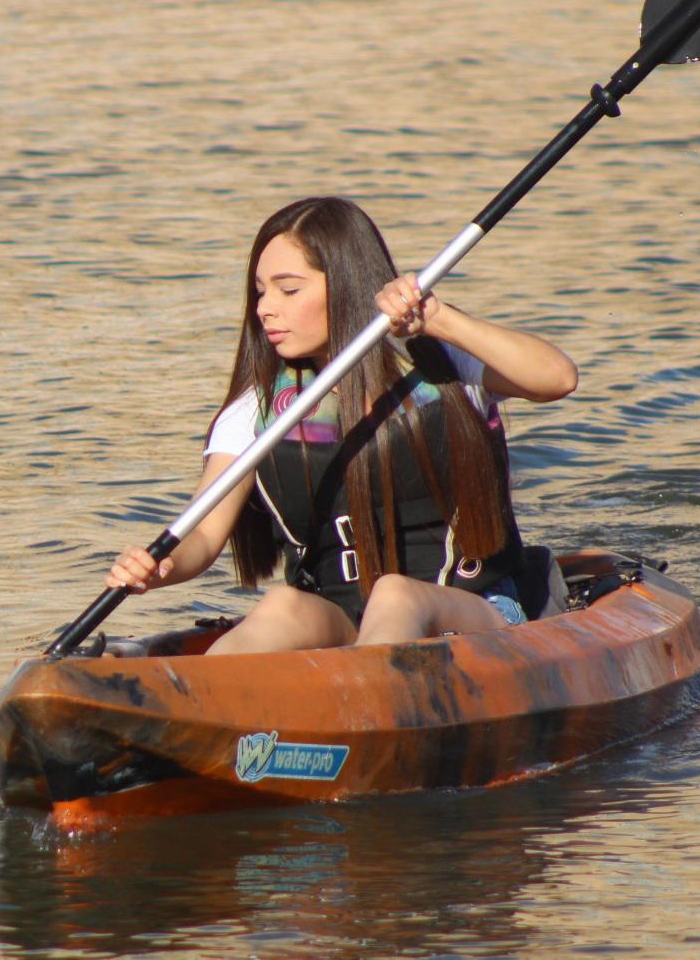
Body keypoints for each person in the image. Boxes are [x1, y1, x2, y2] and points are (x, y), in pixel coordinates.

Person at [105, 196, 577, 653]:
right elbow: (205, 536)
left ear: (347, 284)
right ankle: (207, 710)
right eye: (260, 292)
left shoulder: (447, 366)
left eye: (289, 290)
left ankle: (368, 697)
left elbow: (556, 378)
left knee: (395, 594)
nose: (265, 308)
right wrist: (162, 566)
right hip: (340, 624)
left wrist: (437, 318)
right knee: (281, 605)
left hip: (477, 612)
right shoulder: (257, 412)